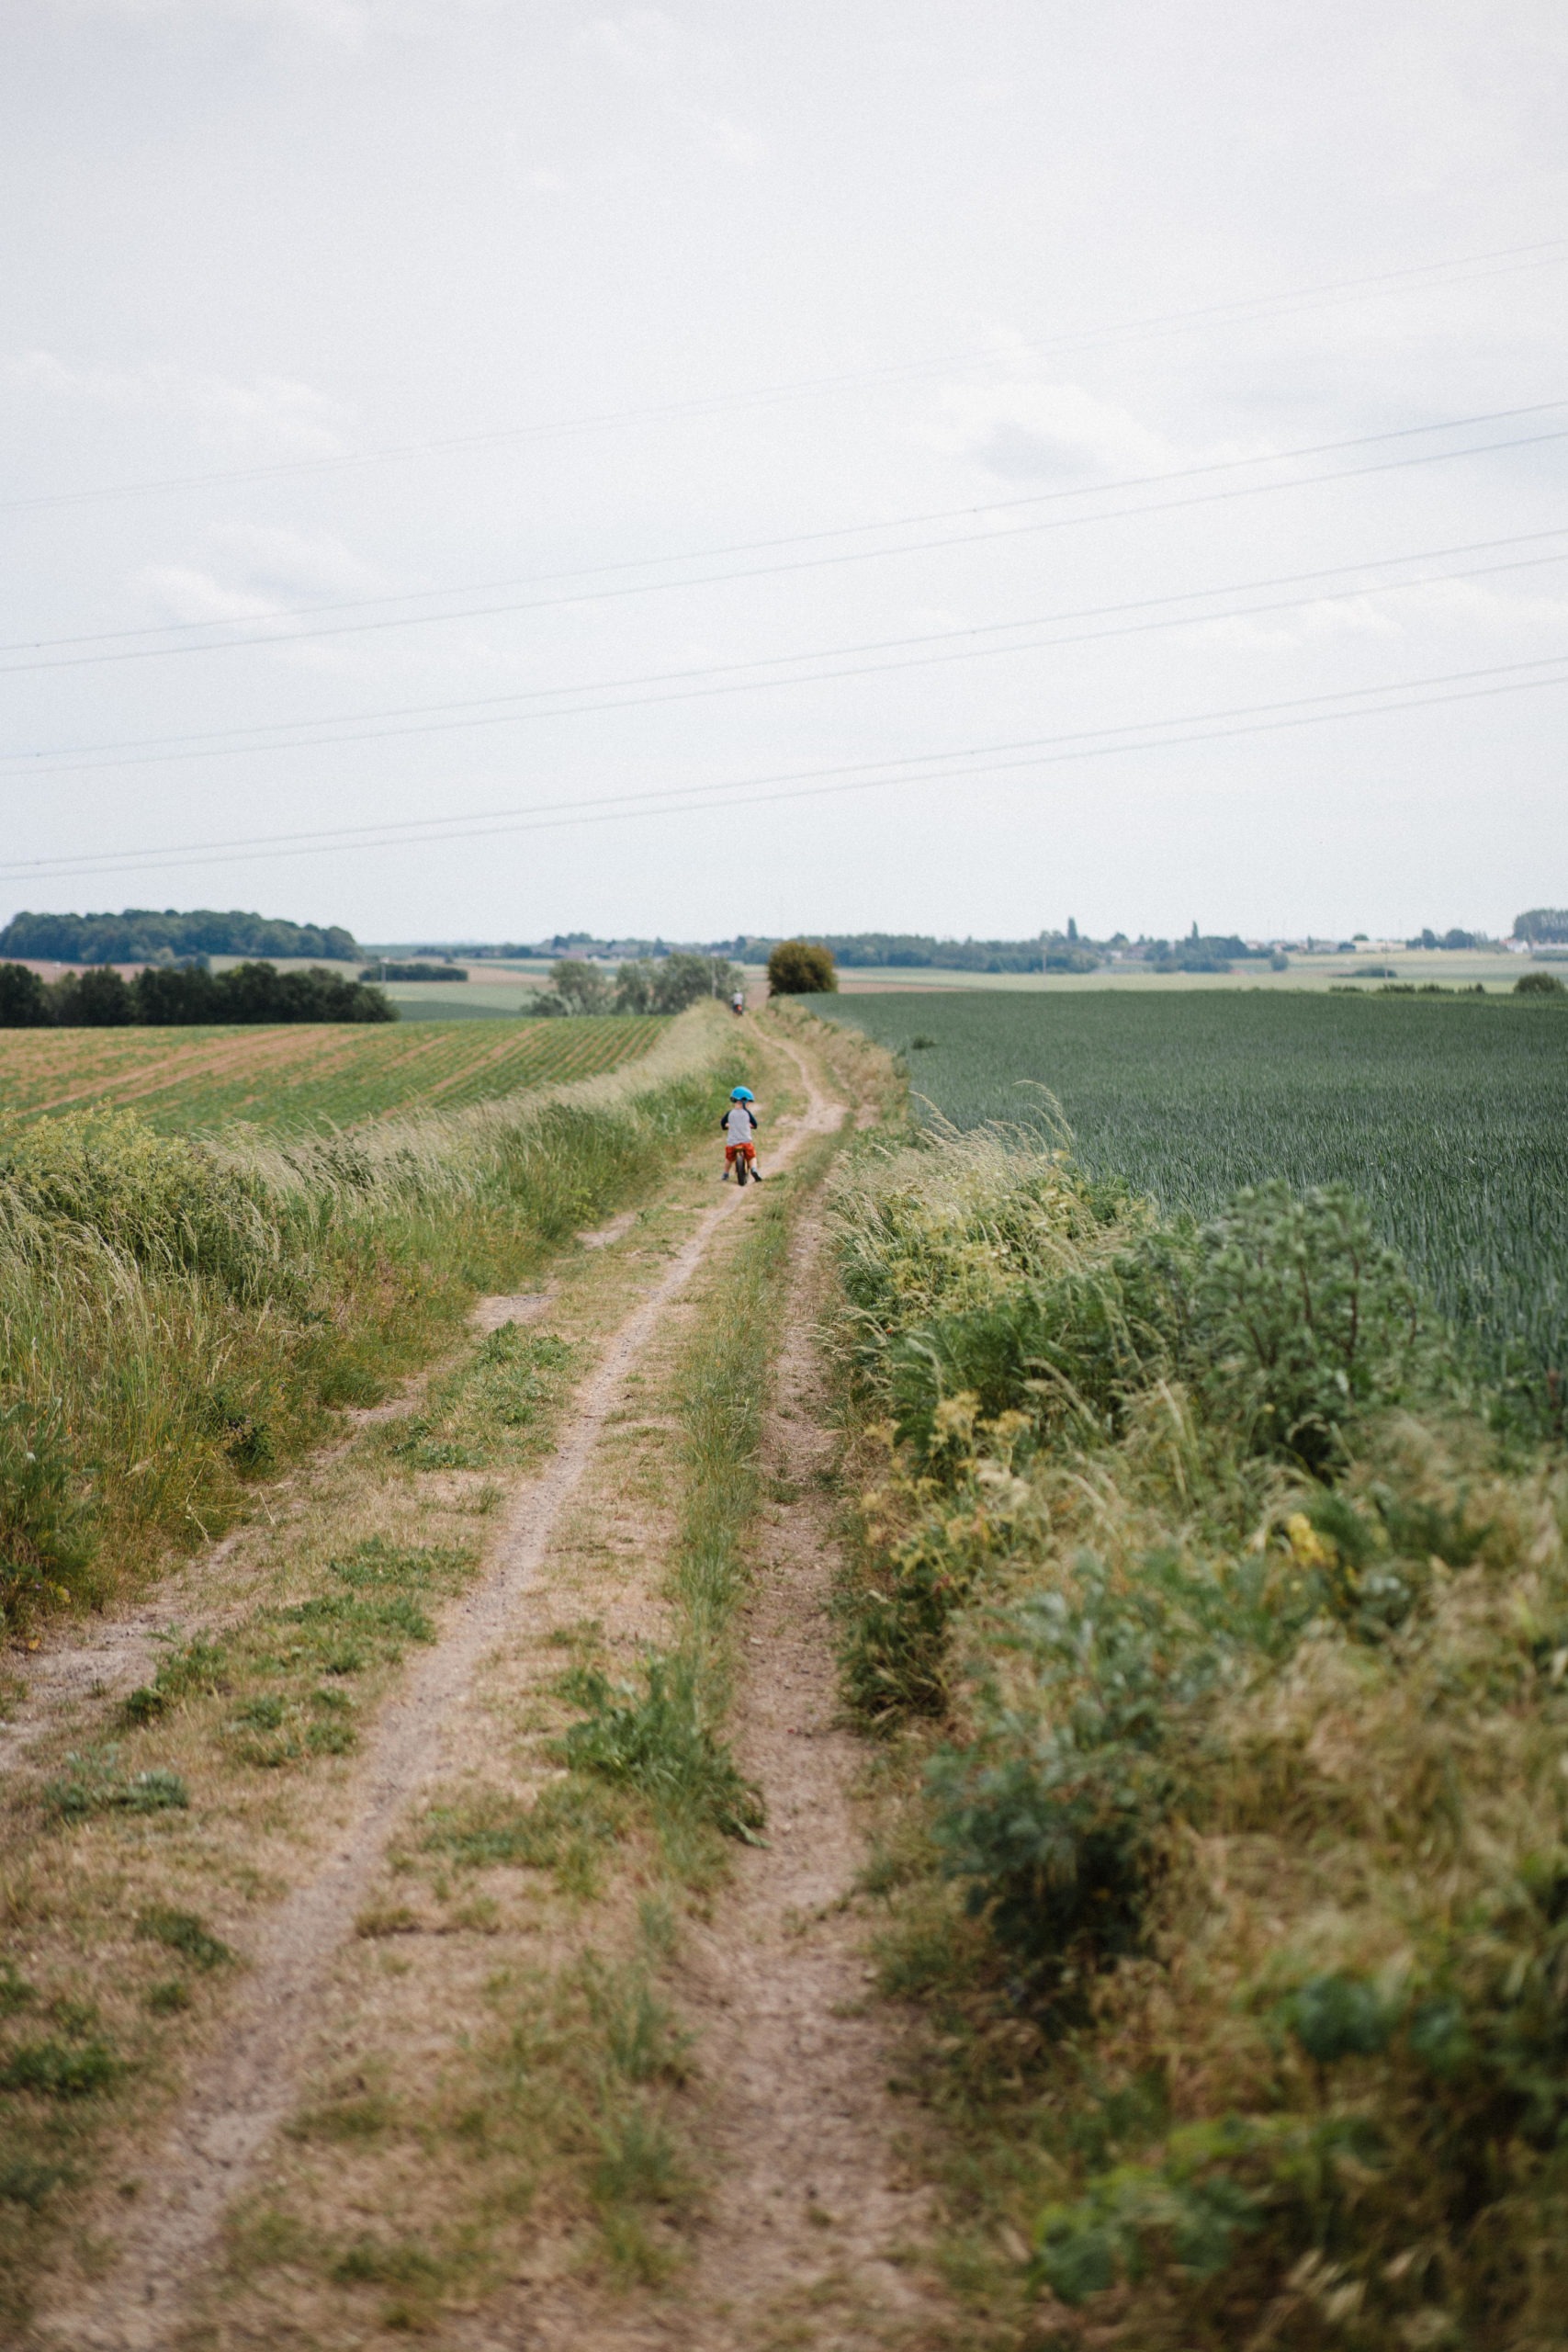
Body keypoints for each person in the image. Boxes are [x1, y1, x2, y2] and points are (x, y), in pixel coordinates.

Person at [720, 1085, 761, 1180]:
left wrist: (728, 1126)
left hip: (732, 1143)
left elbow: (722, 1124)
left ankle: (725, 1174)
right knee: (751, 1156)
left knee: (729, 1158)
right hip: (746, 1142)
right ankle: (754, 1169)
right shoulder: (747, 1113)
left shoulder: (729, 1113)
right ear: (744, 1101)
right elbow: (755, 1124)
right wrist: (749, 1126)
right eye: (748, 1103)